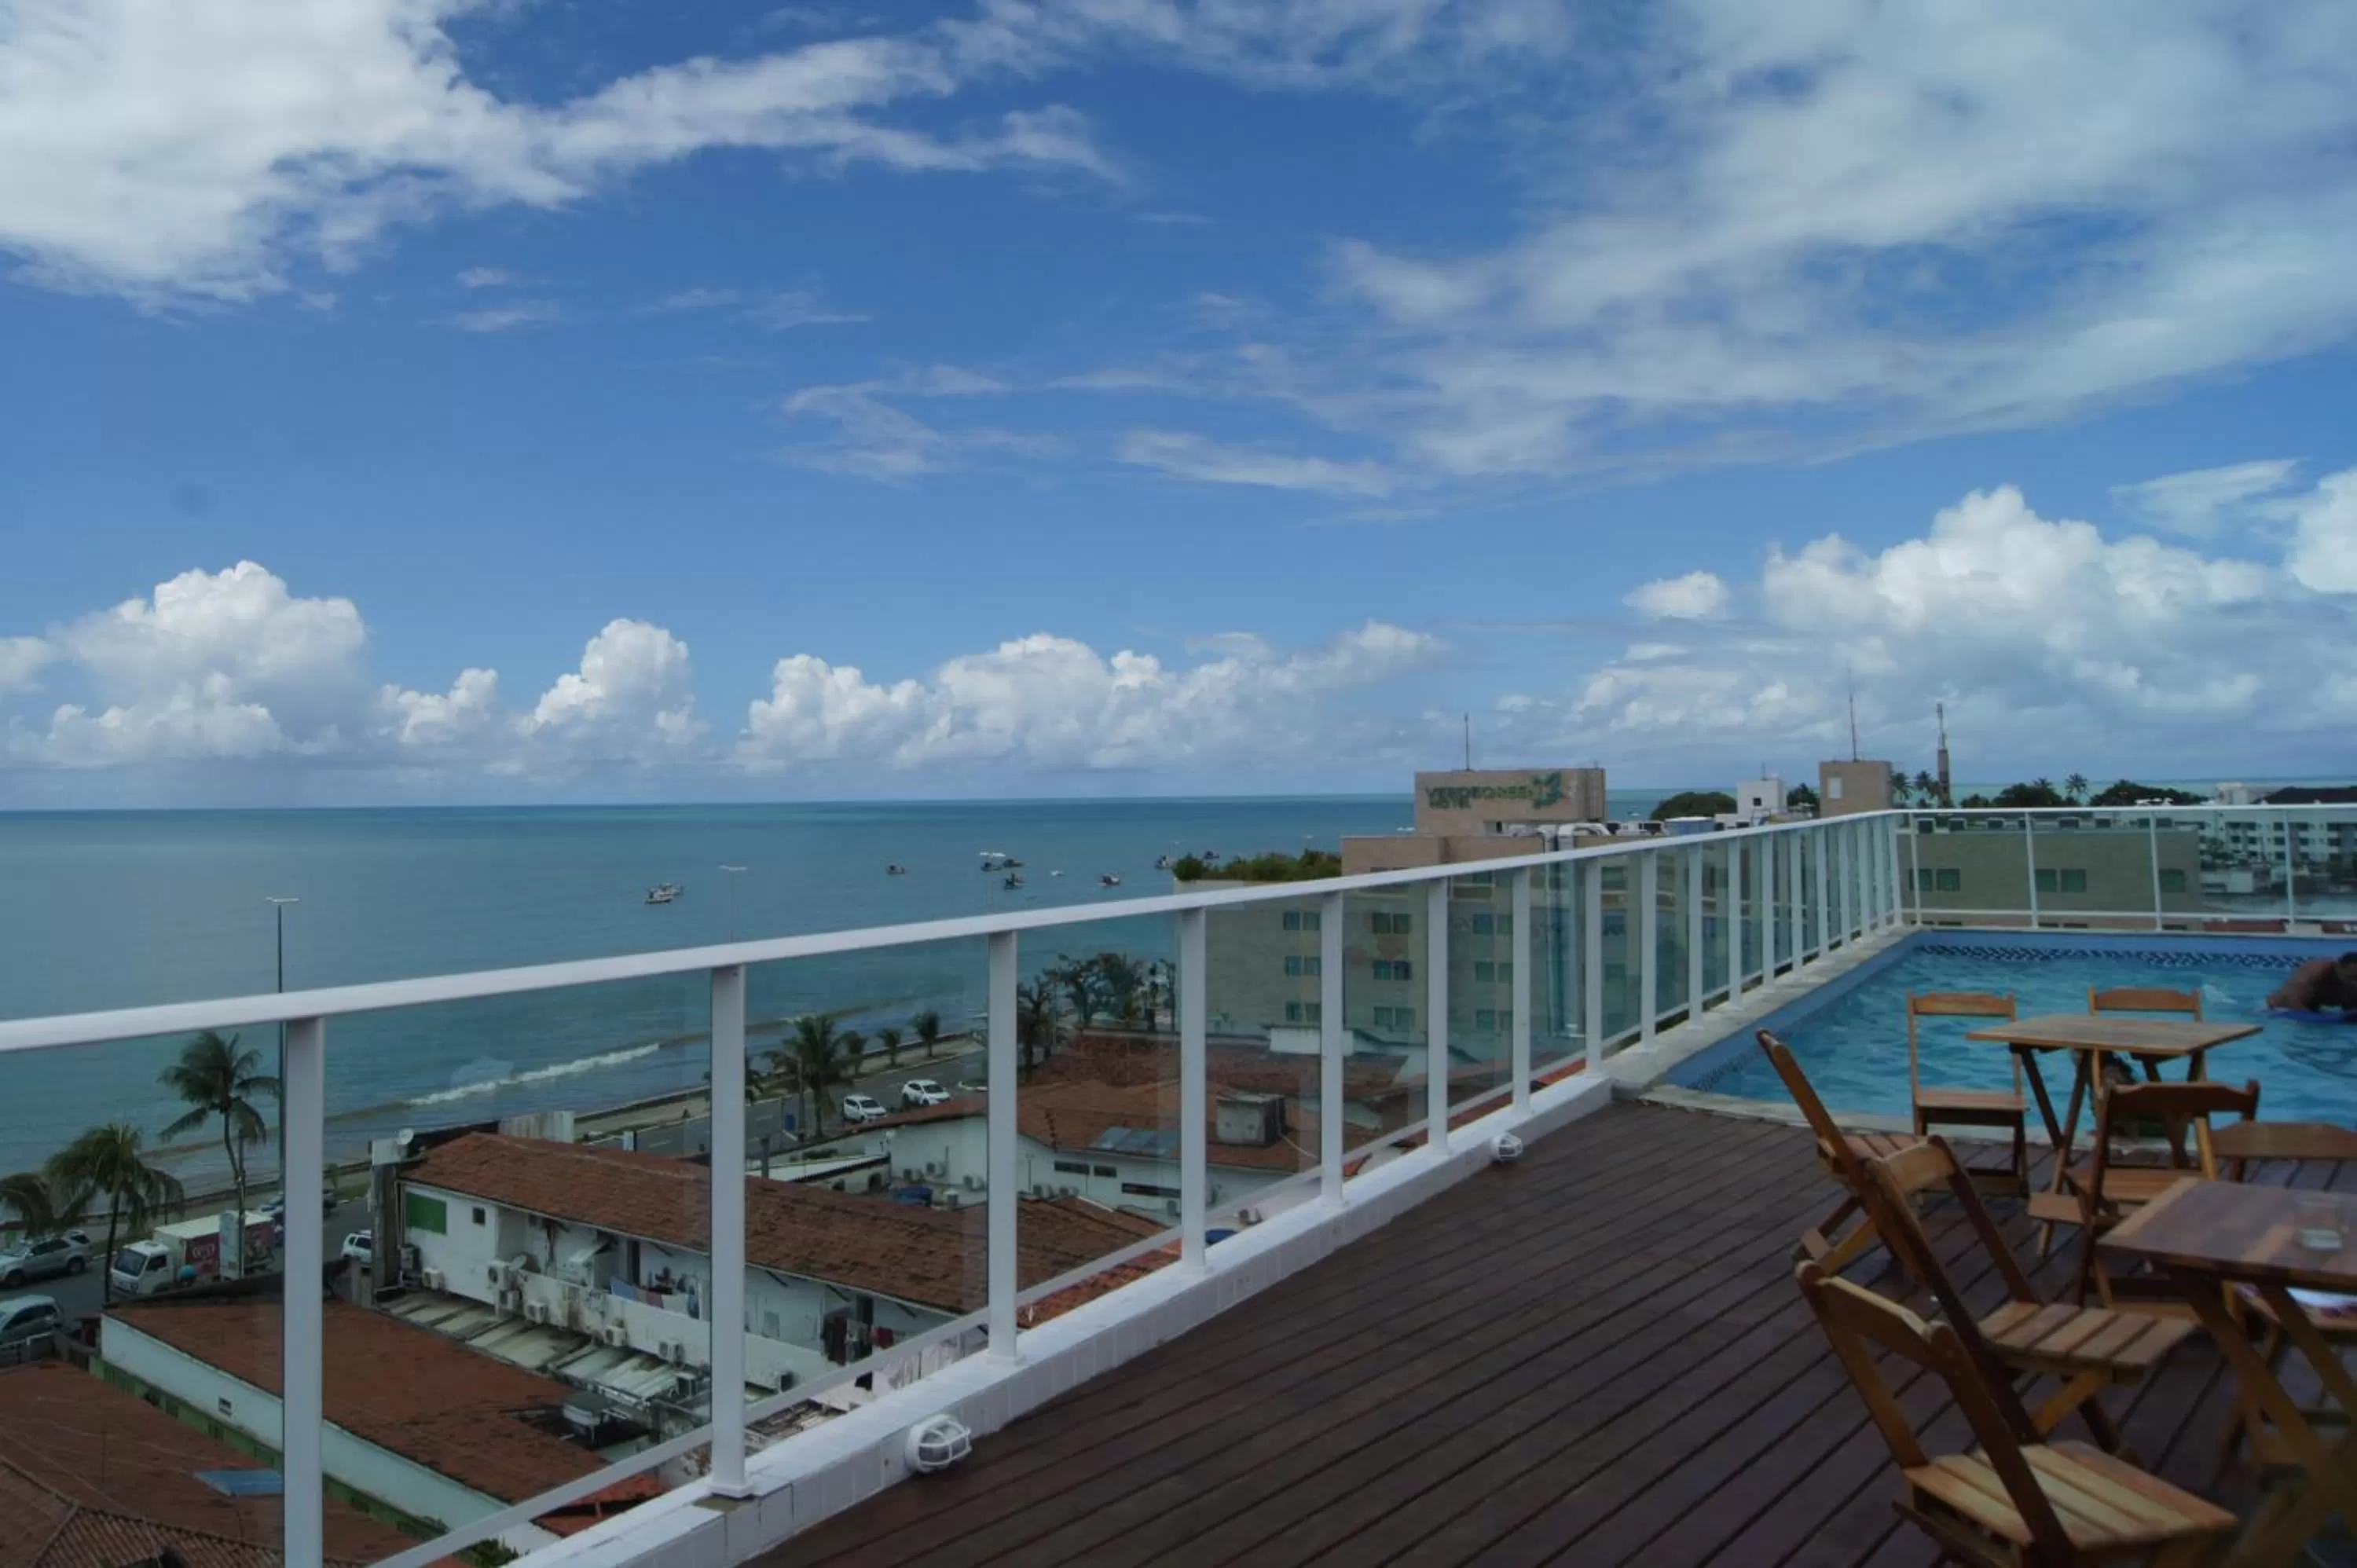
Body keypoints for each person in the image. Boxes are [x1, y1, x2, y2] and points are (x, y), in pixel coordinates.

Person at [2267, 951, 2357, 1013]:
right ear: (2338, 967)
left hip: (2313, 1006)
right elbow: (2292, 998)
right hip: (2282, 1008)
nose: (2354, 982)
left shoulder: (2347, 982)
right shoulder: (2315, 972)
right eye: (2352, 977)